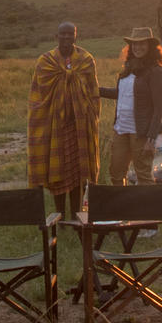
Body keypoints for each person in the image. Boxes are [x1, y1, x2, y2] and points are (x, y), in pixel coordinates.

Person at [28, 22, 99, 218]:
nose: (67, 37)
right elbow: (37, 95)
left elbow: (93, 92)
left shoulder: (86, 60)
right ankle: (59, 215)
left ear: (76, 36)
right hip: (55, 125)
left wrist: (90, 116)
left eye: (70, 34)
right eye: (63, 34)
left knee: (77, 173)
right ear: (56, 36)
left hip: (80, 125)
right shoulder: (46, 61)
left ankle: (77, 214)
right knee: (57, 171)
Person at [99, 28, 162, 184]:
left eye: (142, 44)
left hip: (141, 133)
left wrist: (151, 139)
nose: (138, 47)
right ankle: (124, 207)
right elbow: (122, 93)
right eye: (134, 44)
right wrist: (97, 91)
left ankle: (147, 208)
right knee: (116, 173)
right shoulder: (129, 67)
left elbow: (159, 108)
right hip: (121, 128)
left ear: (149, 46)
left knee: (143, 174)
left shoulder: (155, 72)